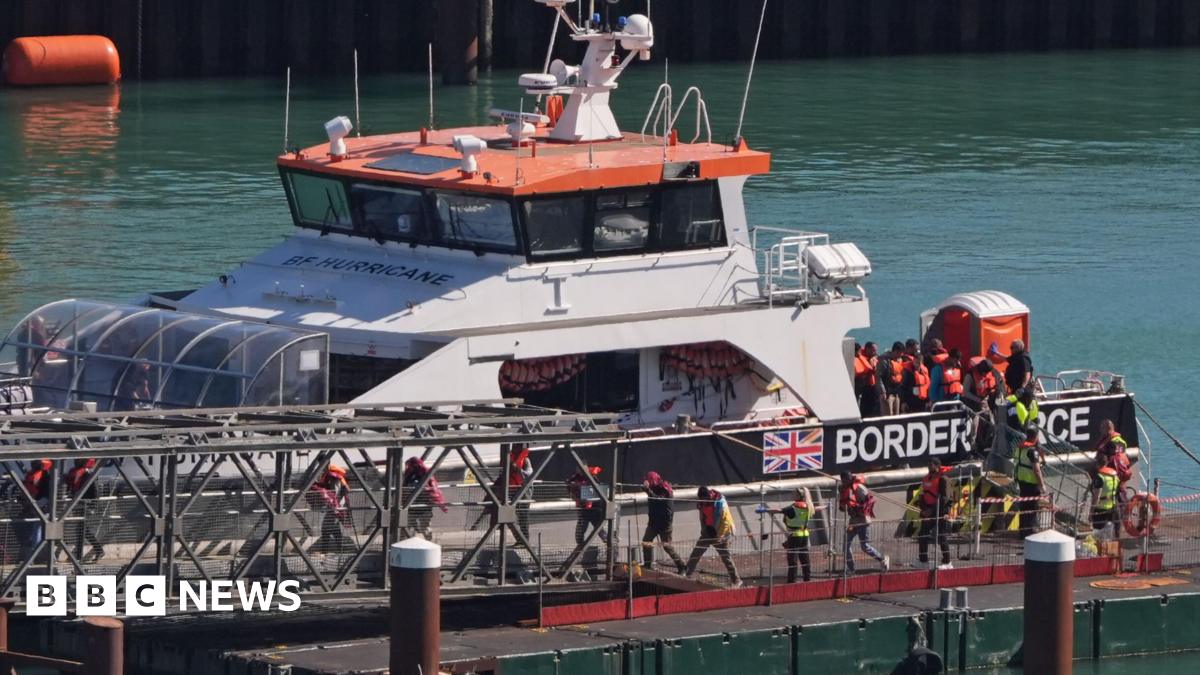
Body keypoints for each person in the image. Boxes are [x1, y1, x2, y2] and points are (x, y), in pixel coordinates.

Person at [684, 486, 741, 586]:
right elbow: (702, 516)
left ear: (708, 495)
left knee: (725, 557)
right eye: (701, 499)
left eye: (704, 499)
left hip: (720, 532)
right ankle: (687, 574)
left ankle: (736, 580)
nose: (703, 501)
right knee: (696, 553)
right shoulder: (702, 503)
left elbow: (726, 522)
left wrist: (721, 536)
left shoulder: (719, 502)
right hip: (708, 531)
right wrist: (703, 530)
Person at [768, 487, 824, 583]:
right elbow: (816, 509)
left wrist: (765, 510)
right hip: (804, 534)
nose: (792, 495)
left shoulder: (793, 507)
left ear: (798, 495)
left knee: (792, 560)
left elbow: (779, 510)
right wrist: (826, 506)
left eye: (793, 493)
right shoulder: (808, 506)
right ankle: (807, 579)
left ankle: (792, 581)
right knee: (804, 558)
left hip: (794, 535)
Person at [839, 472, 889, 574]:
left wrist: (858, 507)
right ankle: (851, 568)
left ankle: (882, 559)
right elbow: (843, 508)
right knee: (846, 544)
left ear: (849, 478)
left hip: (863, 521)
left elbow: (869, 502)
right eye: (842, 480)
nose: (844, 482)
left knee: (864, 546)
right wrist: (842, 499)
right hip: (853, 522)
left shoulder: (859, 488)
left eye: (845, 480)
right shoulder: (844, 490)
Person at [640, 471, 686, 573]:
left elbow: (658, 500)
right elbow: (651, 493)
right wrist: (645, 488)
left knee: (667, 546)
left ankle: (681, 565)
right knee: (646, 541)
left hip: (665, 524)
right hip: (654, 522)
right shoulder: (654, 487)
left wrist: (648, 490)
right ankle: (647, 565)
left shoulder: (665, 489)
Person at [65, 458, 105, 562]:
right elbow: (72, 487)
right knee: (82, 530)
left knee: (81, 529)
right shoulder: (74, 472)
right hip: (78, 504)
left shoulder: (88, 473)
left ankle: (78, 555)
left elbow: (95, 489)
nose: (76, 461)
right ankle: (98, 550)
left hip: (86, 504)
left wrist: (93, 505)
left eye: (78, 460)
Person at [916, 459, 953, 569]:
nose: (928, 466)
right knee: (923, 535)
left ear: (937, 466)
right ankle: (923, 561)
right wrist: (923, 509)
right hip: (928, 511)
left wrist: (932, 511)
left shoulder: (943, 479)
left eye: (930, 464)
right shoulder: (926, 478)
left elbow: (943, 499)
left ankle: (947, 562)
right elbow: (922, 495)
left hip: (940, 512)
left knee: (942, 536)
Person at [308, 463, 352, 550]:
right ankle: (338, 548)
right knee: (333, 527)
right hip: (335, 506)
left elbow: (335, 493)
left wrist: (331, 504)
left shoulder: (334, 477)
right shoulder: (329, 475)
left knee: (326, 527)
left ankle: (326, 550)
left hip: (336, 507)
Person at [403, 456, 449, 539]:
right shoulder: (409, 474)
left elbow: (433, 488)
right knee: (410, 527)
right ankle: (411, 544)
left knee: (425, 528)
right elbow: (404, 488)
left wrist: (440, 503)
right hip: (411, 507)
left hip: (424, 506)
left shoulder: (425, 473)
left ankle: (428, 543)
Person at [1013, 425, 1046, 536]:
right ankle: (1031, 533)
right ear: (1036, 436)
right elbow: (1037, 470)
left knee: (1024, 507)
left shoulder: (1020, 447)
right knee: (1032, 509)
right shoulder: (1032, 451)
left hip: (1021, 481)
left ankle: (1023, 532)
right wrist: (1042, 485)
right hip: (1031, 483)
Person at [19, 459, 53, 560]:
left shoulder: (44, 476)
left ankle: (37, 556)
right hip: (39, 504)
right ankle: (47, 557)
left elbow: (44, 494)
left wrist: (34, 505)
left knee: (37, 531)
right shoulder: (43, 475)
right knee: (36, 531)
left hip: (41, 506)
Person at [567, 465, 609, 546]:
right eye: (579, 468)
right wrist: (576, 488)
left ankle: (605, 538)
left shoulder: (592, 476)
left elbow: (599, 487)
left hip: (594, 505)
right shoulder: (575, 478)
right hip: (583, 506)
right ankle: (580, 542)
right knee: (583, 524)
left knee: (596, 523)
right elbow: (570, 488)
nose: (580, 470)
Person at [1093, 419, 1134, 502]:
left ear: (1108, 428)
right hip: (1121, 472)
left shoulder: (1111, 443)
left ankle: (1121, 511)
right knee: (1121, 493)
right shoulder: (1121, 441)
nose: (1100, 430)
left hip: (1112, 473)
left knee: (1116, 495)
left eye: (1102, 428)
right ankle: (1124, 509)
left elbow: (1110, 459)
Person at [1090, 459, 1121, 544]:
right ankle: (1114, 551)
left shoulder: (1100, 477)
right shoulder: (1114, 476)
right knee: (1112, 534)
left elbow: (1096, 497)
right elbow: (1118, 492)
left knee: (1098, 536)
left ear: (1097, 464)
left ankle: (1099, 552)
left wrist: (1091, 513)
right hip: (1114, 507)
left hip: (1101, 510)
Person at [900, 341, 931, 413]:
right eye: (916, 362)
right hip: (911, 400)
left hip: (922, 400)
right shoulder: (908, 372)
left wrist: (928, 400)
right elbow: (903, 387)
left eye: (919, 363)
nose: (917, 365)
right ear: (913, 361)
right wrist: (904, 402)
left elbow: (928, 386)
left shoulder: (924, 371)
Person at [879, 342, 908, 416]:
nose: (900, 356)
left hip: (897, 393)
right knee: (888, 416)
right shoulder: (884, 361)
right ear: (895, 351)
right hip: (887, 394)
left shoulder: (898, 360)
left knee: (896, 415)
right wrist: (883, 392)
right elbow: (879, 377)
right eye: (899, 354)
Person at [855, 341, 882, 417]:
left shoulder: (875, 358)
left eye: (876, 350)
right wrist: (872, 366)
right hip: (865, 389)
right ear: (867, 349)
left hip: (874, 388)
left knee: (877, 409)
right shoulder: (861, 359)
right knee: (866, 410)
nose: (875, 352)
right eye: (873, 350)